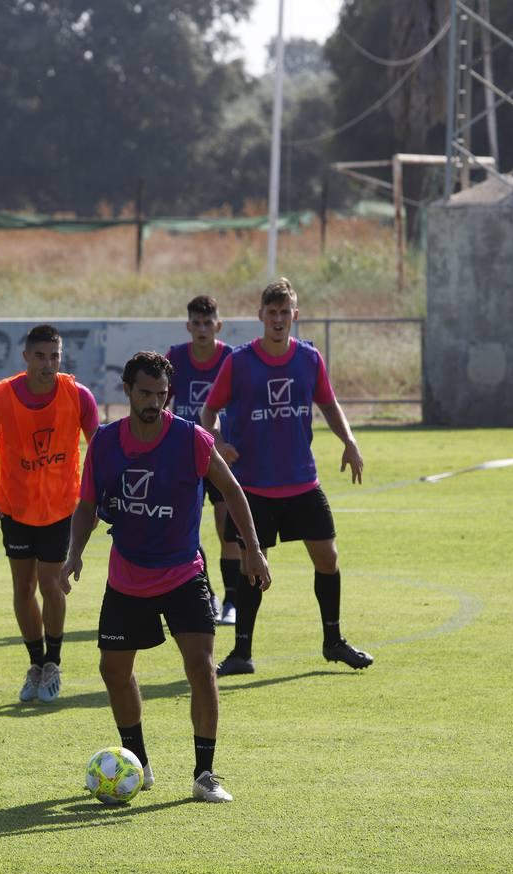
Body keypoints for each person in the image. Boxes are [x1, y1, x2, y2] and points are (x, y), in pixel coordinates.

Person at [62, 351, 269, 803]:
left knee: (201, 667)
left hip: (182, 573)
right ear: (128, 392)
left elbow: (232, 491)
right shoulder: (104, 443)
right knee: (113, 671)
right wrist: (74, 553)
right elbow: (87, 507)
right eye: (144, 393)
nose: (153, 402)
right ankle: (138, 763)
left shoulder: (190, 439)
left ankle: (205, 773)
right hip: (128, 576)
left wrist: (253, 551)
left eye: (161, 394)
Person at [200, 277, 374, 676]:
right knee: (251, 566)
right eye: (271, 312)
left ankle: (333, 641)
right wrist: (219, 443)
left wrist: (349, 441)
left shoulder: (309, 359)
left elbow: (328, 404)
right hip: (254, 489)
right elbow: (207, 413)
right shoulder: (239, 362)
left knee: (328, 557)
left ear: (295, 316)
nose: (278, 319)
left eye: (285, 312)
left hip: (302, 483)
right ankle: (241, 652)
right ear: (260, 316)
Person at [0, 324, 99, 704]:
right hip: (15, 507)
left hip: (61, 508)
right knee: (23, 588)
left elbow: (101, 448)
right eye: (40, 356)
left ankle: (54, 664)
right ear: (25, 357)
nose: (48, 364)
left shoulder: (79, 396)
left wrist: (96, 500)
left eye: (55, 356)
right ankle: (36, 663)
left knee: (52, 585)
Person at [166, 295, 241, 626]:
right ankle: (207, 593)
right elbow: (158, 402)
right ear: (188, 326)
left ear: (218, 325)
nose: (201, 329)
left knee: (227, 527)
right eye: (195, 323)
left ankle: (232, 601)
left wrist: (230, 442)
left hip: (221, 455)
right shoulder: (176, 358)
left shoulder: (230, 358)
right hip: (184, 456)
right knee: (187, 530)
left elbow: (242, 404)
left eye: (207, 323)